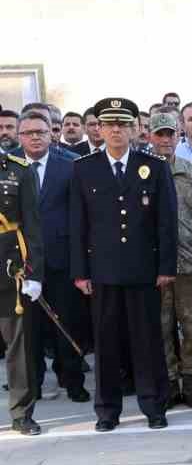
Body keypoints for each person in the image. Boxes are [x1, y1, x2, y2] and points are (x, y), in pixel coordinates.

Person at [70, 97, 177, 430]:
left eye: (123, 124)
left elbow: (166, 222)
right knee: (106, 342)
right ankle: (107, 410)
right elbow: (79, 224)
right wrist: (80, 271)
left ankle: (154, 405)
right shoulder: (84, 167)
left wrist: (166, 267)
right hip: (102, 271)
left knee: (147, 340)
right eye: (109, 124)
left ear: (135, 129)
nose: (116, 130)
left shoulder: (154, 167)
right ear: (99, 129)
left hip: (144, 270)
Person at [16, 111, 89, 403]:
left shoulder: (70, 165)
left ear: (51, 134)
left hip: (62, 258)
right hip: (20, 263)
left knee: (66, 324)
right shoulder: (7, 165)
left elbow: (81, 216)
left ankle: (73, 381)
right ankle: (32, 385)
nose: (35, 137)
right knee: (28, 331)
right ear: (19, 137)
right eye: (28, 132)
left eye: (41, 131)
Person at [147, 113, 192, 408]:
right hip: (155, 264)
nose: (165, 140)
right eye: (159, 134)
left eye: (170, 134)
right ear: (149, 137)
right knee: (161, 325)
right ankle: (169, 382)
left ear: (178, 135)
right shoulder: (141, 172)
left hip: (189, 261)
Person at [0, 125, 44, 433]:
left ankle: (21, 413)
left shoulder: (19, 171)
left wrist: (34, 274)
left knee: (19, 346)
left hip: (9, 267)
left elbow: (33, 226)